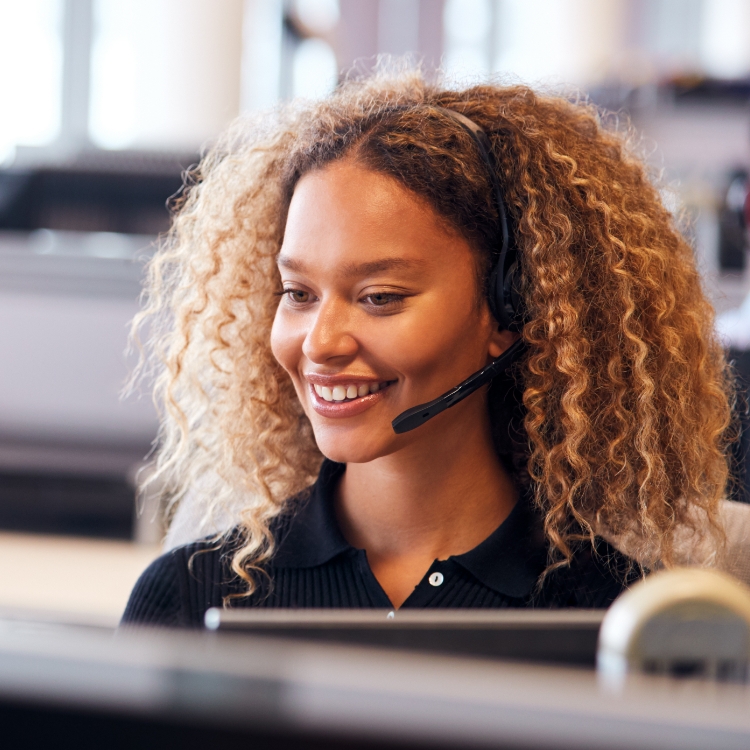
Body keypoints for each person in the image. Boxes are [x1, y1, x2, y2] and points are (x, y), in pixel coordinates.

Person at [122, 70, 733, 627]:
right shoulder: (192, 596)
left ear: (511, 310)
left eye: (380, 297)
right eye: (298, 292)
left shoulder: (618, 619)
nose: (321, 342)